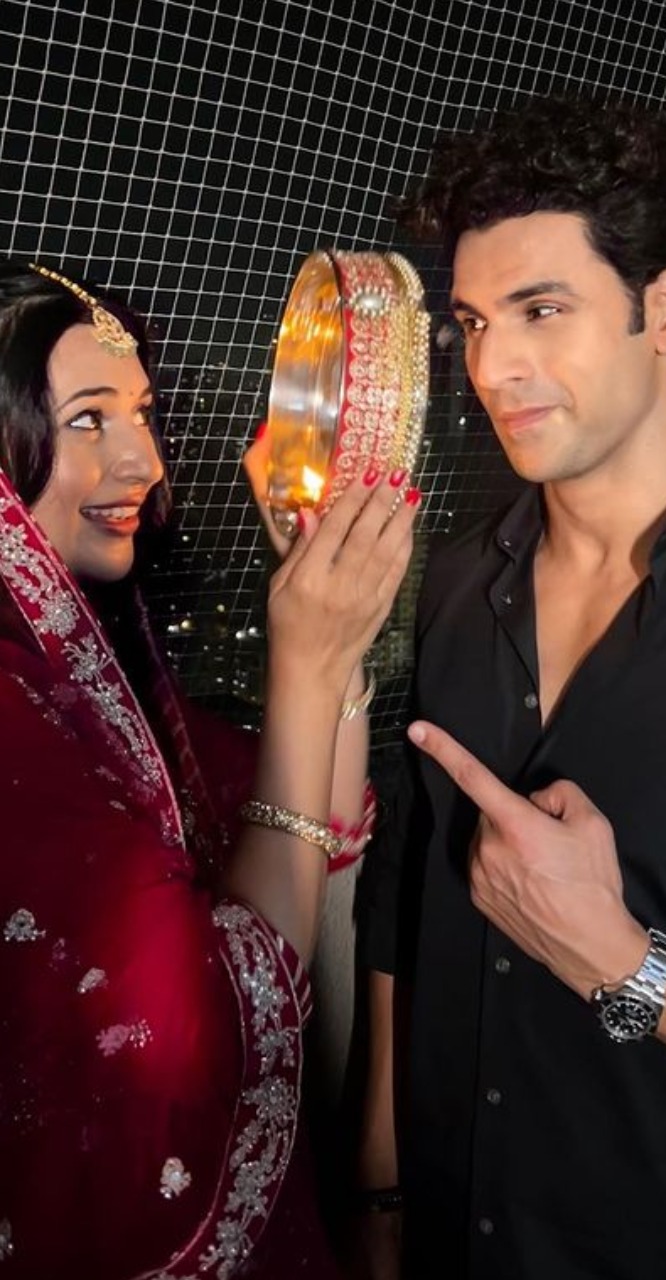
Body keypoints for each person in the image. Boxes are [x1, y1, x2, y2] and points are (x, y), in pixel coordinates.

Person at [355, 92, 666, 1280]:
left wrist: (620, 964)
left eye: (541, 310)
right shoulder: (463, 582)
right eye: (472, 321)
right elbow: (404, 893)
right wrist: (382, 1179)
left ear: (665, 309)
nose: (490, 365)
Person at [0, 259, 420, 1279]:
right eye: (87, 420)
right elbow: (213, 1022)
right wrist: (303, 668)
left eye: (142, 413)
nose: (143, 459)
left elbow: (310, 831)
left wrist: (332, 654)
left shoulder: (96, 686)